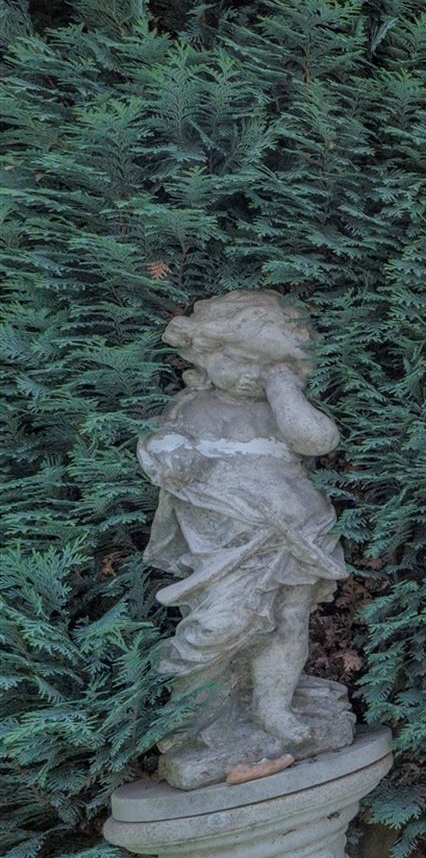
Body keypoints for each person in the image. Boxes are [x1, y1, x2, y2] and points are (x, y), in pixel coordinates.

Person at [138, 291, 352, 784]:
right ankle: (197, 721)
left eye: (264, 363)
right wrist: (167, 448)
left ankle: (273, 705)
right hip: (230, 545)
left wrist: (284, 388)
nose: (247, 372)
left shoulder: (282, 409)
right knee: (220, 624)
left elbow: (318, 440)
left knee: (289, 620)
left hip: (298, 532)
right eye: (234, 358)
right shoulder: (194, 408)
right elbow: (159, 446)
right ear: (204, 357)